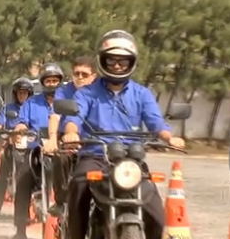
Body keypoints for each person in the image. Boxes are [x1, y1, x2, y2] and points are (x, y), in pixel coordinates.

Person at [60, 30, 185, 239]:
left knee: (155, 209)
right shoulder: (87, 93)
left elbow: (155, 122)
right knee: (79, 185)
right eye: (112, 61)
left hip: (131, 159)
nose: (117, 66)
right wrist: (71, 133)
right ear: (102, 61)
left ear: (131, 63)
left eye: (123, 61)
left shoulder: (142, 93)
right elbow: (74, 119)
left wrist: (169, 137)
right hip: (96, 156)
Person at [11, 63, 65, 239]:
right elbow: (22, 122)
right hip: (35, 150)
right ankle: (20, 229)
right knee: (22, 181)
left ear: (60, 81)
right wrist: (19, 128)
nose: (51, 84)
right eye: (48, 80)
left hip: (62, 152)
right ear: (43, 83)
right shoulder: (31, 102)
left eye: (54, 80)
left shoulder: (68, 101)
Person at [43, 56, 97, 216]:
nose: (79, 77)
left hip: (95, 139)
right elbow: (55, 116)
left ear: (94, 76)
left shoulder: (101, 92)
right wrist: (53, 139)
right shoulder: (63, 91)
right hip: (68, 139)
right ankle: (61, 200)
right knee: (61, 157)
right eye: (76, 73)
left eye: (84, 74)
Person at [0, 77, 34, 219]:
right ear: (15, 93)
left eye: (25, 93)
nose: (22, 95)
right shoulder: (8, 108)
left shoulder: (34, 108)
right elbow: (0, 124)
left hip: (30, 147)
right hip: (11, 145)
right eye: (20, 93)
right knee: (2, 177)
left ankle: (29, 211)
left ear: (29, 94)